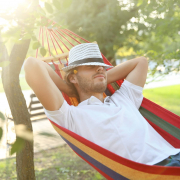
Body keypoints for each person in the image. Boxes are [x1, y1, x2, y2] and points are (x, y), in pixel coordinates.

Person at [24, 43, 180, 166]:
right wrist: (68, 88)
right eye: (90, 66)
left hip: (175, 154)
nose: (100, 68)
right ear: (73, 78)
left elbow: (141, 62)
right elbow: (32, 65)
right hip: (153, 171)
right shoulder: (69, 116)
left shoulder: (125, 98)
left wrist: (98, 76)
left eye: (101, 66)